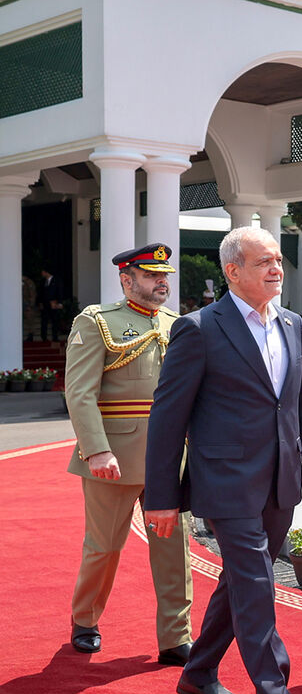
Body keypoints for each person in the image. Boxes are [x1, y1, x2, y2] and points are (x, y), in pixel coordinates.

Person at [144, 226, 302, 694]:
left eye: (279, 260)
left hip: (280, 479)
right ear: (232, 271)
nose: (277, 269)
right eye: (264, 262)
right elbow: (168, 418)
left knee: (238, 582)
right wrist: (160, 497)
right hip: (224, 481)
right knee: (257, 586)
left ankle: (198, 670)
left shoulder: (294, 326)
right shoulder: (199, 329)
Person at [63, 243, 194, 664]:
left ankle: (176, 637)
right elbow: (80, 392)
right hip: (114, 455)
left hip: (171, 454)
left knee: (175, 547)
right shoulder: (98, 321)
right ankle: (85, 620)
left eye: (165, 276)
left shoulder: (179, 324)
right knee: (104, 546)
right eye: (153, 275)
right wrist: (96, 450)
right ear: (127, 279)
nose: (162, 282)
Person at [37, 268, 65, 341]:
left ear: (47, 272)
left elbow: (60, 291)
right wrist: (40, 303)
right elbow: (40, 293)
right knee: (44, 321)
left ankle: (55, 337)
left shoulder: (56, 280)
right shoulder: (43, 281)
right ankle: (44, 337)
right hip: (45, 304)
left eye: (43, 272)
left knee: (55, 321)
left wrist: (59, 303)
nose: (42, 273)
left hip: (54, 303)